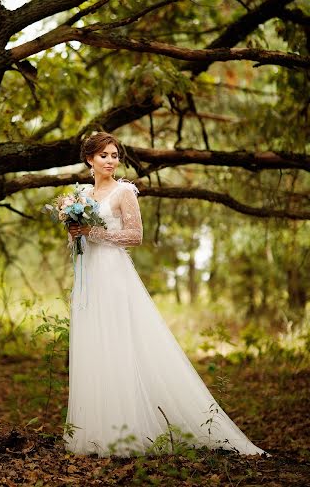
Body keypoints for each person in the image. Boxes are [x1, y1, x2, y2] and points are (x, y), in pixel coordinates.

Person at [63, 132, 266, 458]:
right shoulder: (82, 194)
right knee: (94, 344)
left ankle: (126, 433)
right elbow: (79, 240)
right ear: (89, 159)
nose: (111, 160)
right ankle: (96, 433)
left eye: (115, 155)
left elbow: (135, 235)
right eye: (104, 155)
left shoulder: (124, 191)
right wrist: (75, 233)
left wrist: (93, 232)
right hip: (89, 276)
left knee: (118, 343)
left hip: (114, 275)